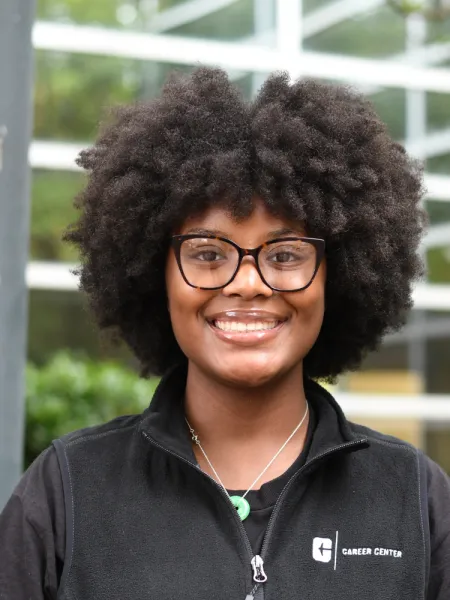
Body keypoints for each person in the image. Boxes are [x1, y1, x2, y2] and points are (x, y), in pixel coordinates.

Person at [1, 67, 449, 600]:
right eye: (208, 254)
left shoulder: (415, 500)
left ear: (339, 276)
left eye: (285, 255)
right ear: (153, 274)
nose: (248, 283)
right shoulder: (65, 494)